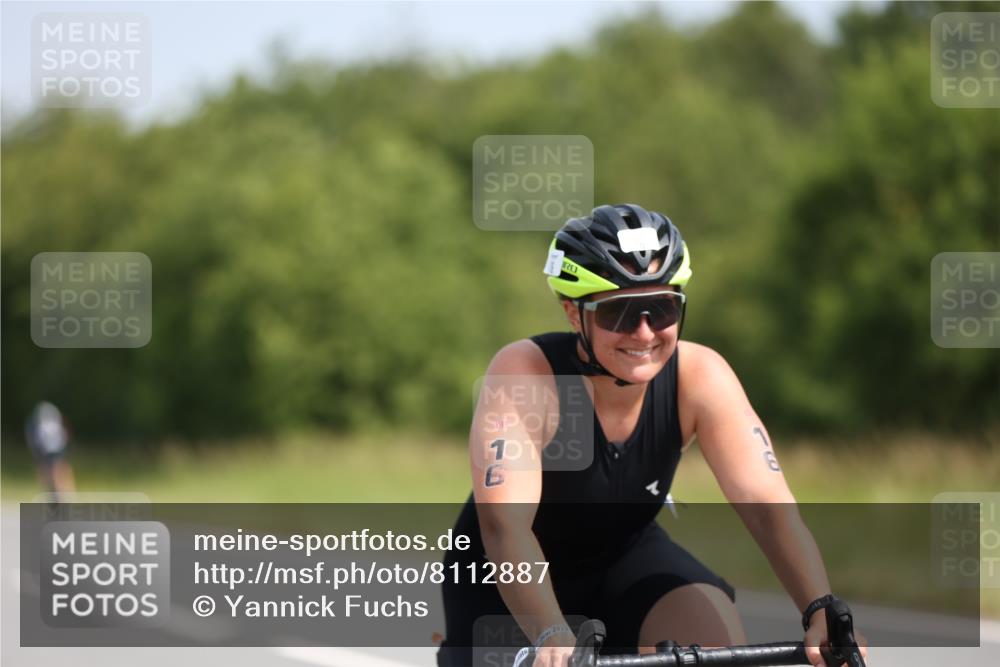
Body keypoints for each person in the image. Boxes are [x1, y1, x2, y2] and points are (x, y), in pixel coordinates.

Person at [437, 204, 867, 667]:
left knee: (712, 636)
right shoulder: (526, 373)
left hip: (625, 560)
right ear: (572, 312)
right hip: (505, 584)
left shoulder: (700, 374)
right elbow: (506, 525)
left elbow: (768, 508)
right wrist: (551, 632)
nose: (644, 332)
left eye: (661, 309)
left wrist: (819, 607)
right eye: (619, 313)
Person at [25, 401, 76, 500]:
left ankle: (57, 493)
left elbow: (35, 438)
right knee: (58, 470)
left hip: (47, 449)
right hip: (55, 448)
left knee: (49, 470)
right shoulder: (54, 422)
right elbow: (64, 435)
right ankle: (62, 494)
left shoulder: (40, 423)